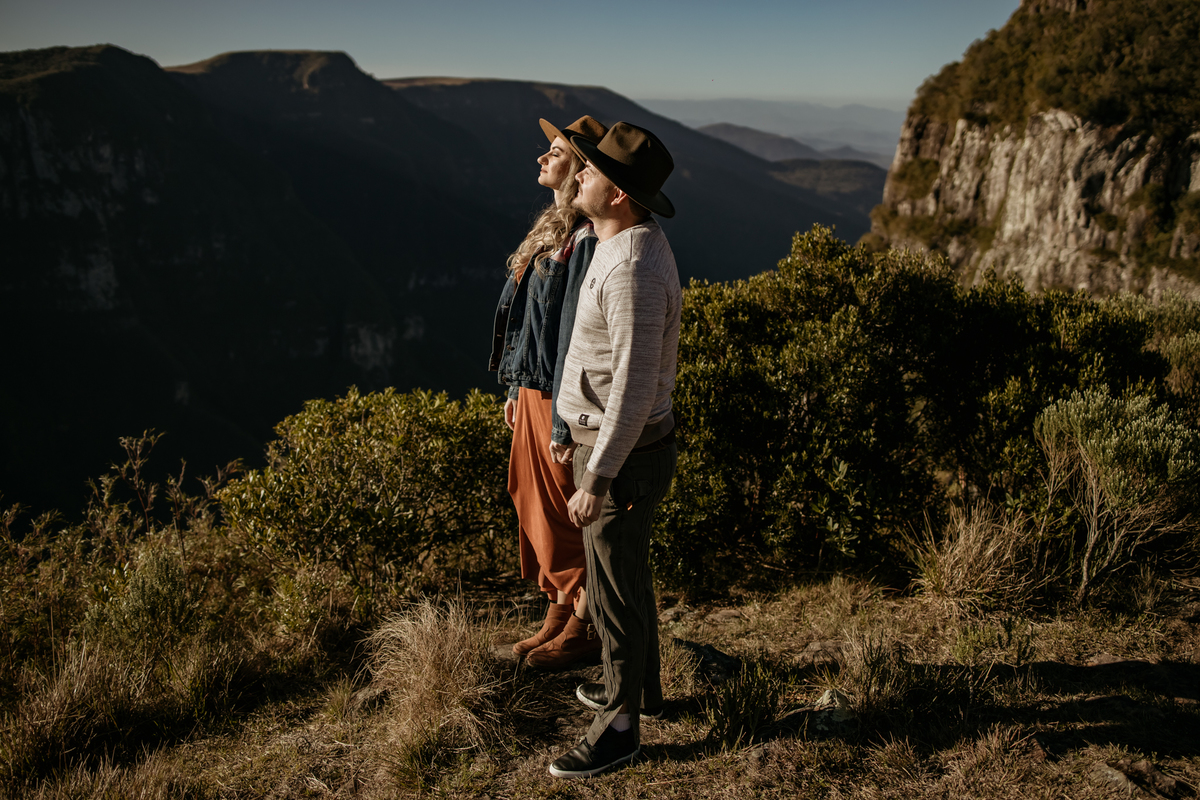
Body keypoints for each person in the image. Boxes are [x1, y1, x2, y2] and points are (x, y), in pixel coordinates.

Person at [545, 122, 681, 779]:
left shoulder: (631, 268)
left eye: (591, 172)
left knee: (616, 598)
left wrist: (595, 477)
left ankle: (619, 730)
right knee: (615, 583)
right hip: (610, 445)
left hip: (620, 453)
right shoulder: (615, 239)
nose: (579, 177)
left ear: (620, 194)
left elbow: (629, 390)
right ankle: (638, 691)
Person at [489, 115, 609, 668]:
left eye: (555, 151)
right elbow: (527, 325)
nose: (542, 158)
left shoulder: (582, 238)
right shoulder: (555, 227)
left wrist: (561, 418)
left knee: (561, 507)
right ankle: (560, 612)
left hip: (558, 394)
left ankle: (584, 622)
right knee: (530, 497)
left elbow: (569, 332)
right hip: (534, 387)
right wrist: (515, 383)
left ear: (581, 167)